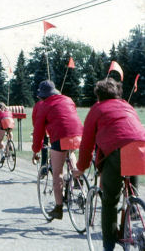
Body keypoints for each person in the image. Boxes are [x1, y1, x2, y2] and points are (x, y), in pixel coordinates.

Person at [73, 78, 145, 251]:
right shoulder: (127, 106)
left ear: (99, 95)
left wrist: (81, 167)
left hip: (116, 151)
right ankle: (133, 212)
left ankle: (108, 246)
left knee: (110, 201)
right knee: (131, 189)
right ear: (118, 93)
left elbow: (87, 143)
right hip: (141, 147)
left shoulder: (97, 109)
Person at [31, 80, 83, 220]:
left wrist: (36, 150)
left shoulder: (43, 106)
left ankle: (58, 208)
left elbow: (38, 132)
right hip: (78, 134)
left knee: (57, 173)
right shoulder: (68, 99)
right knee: (70, 152)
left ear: (42, 95)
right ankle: (76, 176)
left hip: (60, 137)